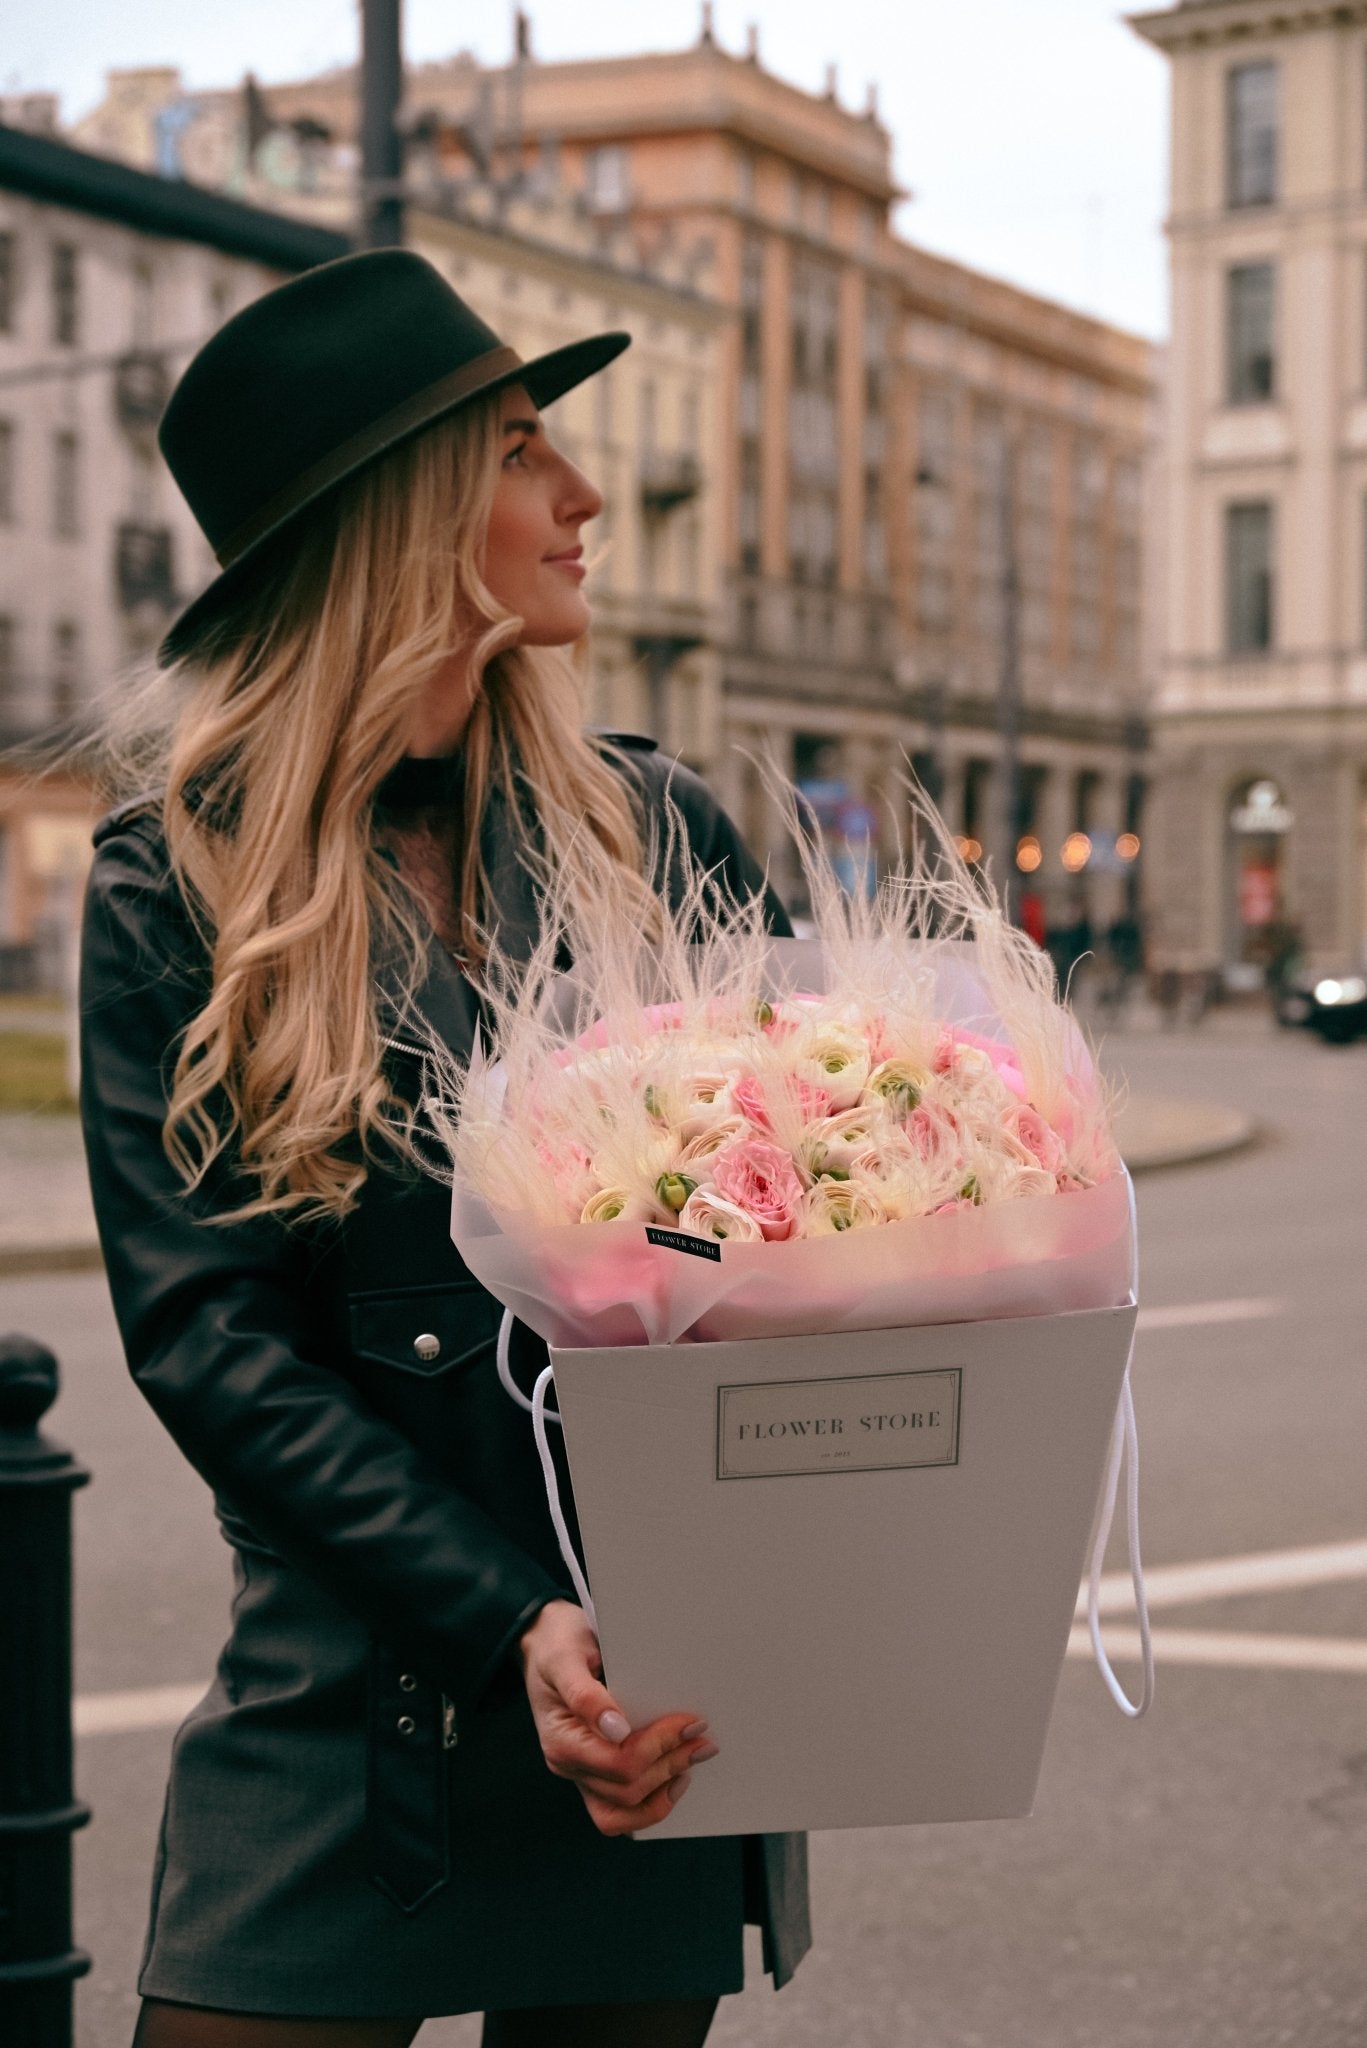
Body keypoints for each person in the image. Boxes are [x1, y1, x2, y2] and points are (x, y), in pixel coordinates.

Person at [79, 250, 809, 2048]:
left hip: (646, 1702)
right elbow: (213, 1347)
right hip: (357, 1700)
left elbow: (797, 1241)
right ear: (389, 520)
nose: (582, 498)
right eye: (517, 451)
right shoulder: (181, 877)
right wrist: (508, 1621)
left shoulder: (655, 834)